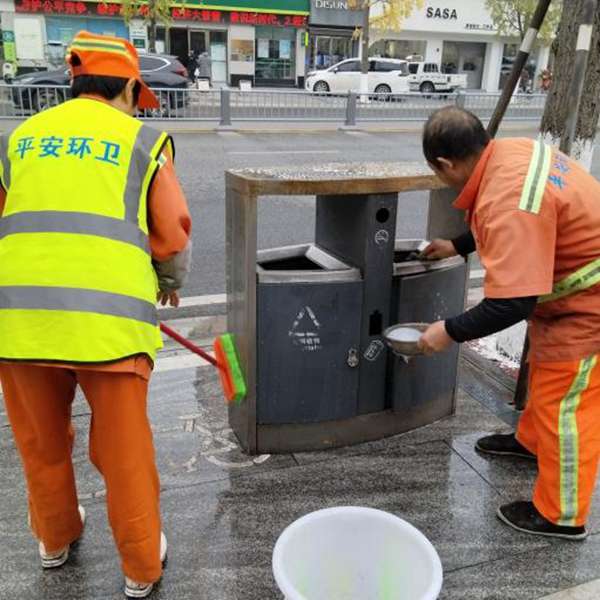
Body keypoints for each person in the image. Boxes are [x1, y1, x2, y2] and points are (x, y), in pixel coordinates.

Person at [0, 31, 192, 597]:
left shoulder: (22, 139)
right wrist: (167, 285)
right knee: (124, 453)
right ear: (132, 85)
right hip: (110, 328)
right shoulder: (143, 141)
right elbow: (173, 234)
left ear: (72, 81)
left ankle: (54, 539)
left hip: (20, 322)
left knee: (41, 444)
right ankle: (139, 569)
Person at [418, 106, 600, 541]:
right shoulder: (508, 155)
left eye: (437, 173)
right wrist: (458, 245)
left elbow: (512, 304)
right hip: (571, 292)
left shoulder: (508, 197)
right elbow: (516, 222)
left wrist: (448, 331)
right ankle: (530, 443)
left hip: (589, 305)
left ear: (446, 164)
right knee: (549, 381)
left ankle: (562, 515)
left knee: (568, 408)